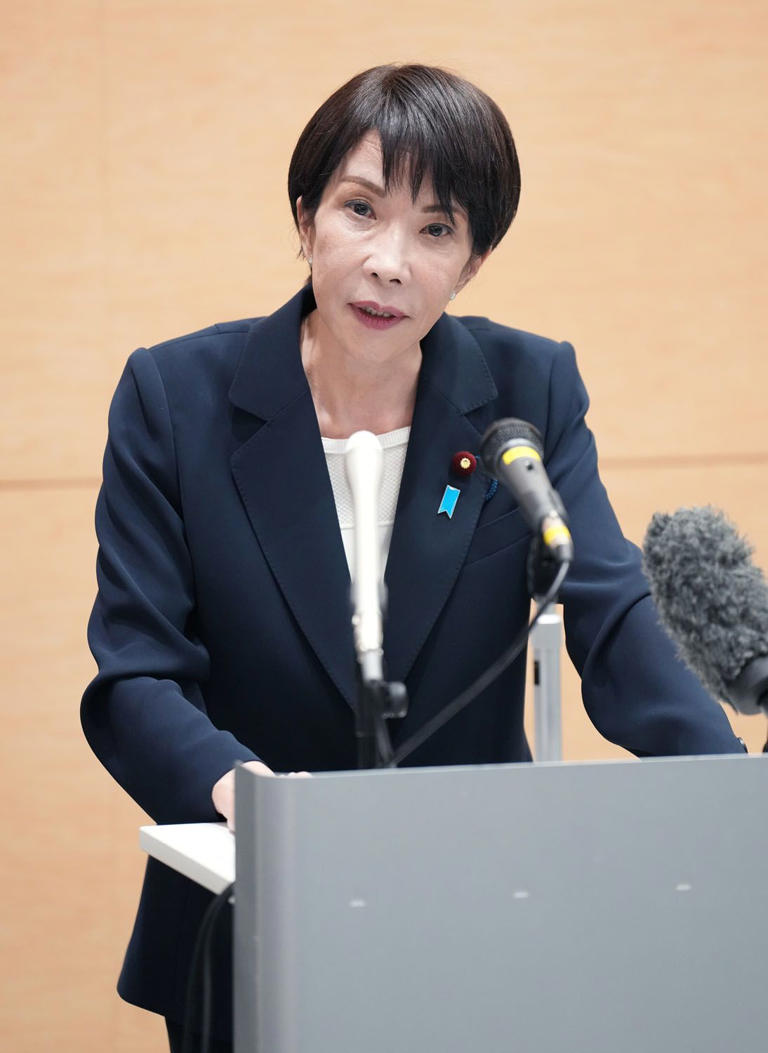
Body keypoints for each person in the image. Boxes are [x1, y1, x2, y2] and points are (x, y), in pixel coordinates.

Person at [81, 64, 743, 1051]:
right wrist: (245, 795)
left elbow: (611, 613)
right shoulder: (175, 400)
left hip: (481, 912)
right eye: (361, 209)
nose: (390, 262)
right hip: (249, 914)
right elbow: (137, 675)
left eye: (436, 230)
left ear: (471, 263)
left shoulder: (527, 388)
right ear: (305, 218)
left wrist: (731, 794)